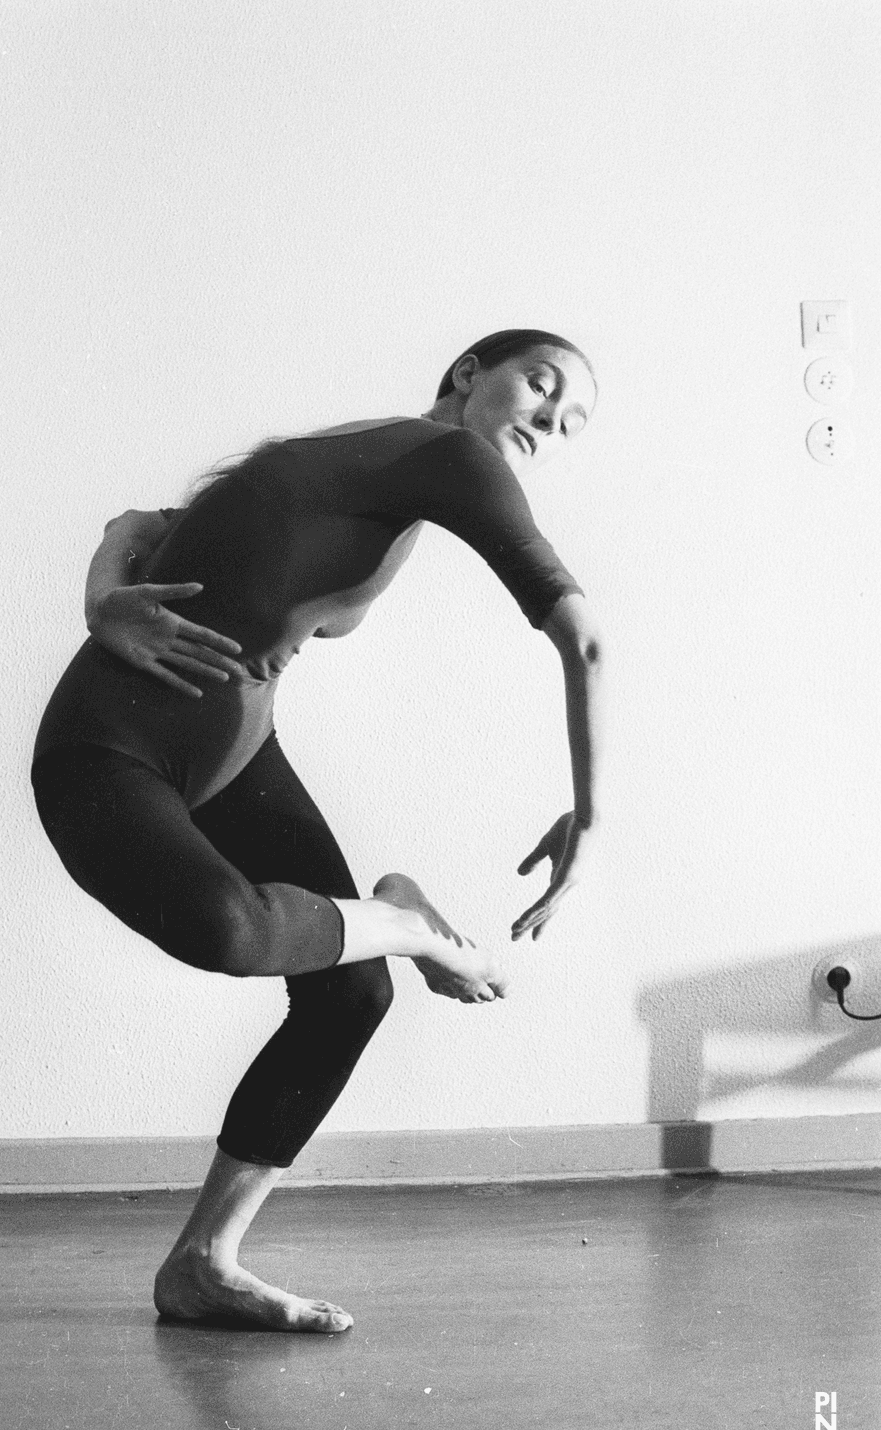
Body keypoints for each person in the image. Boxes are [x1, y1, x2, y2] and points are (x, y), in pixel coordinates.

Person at [31, 328, 604, 1334]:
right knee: (230, 933)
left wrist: (105, 590)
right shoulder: (445, 457)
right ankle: (411, 925)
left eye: (570, 425)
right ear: (469, 375)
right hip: (108, 748)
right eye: (540, 387)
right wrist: (590, 816)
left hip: (233, 747)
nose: (549, 423)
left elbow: (136, 523)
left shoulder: (371, 473)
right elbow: (583, 636)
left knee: (346, 994)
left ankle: (203, 1264)